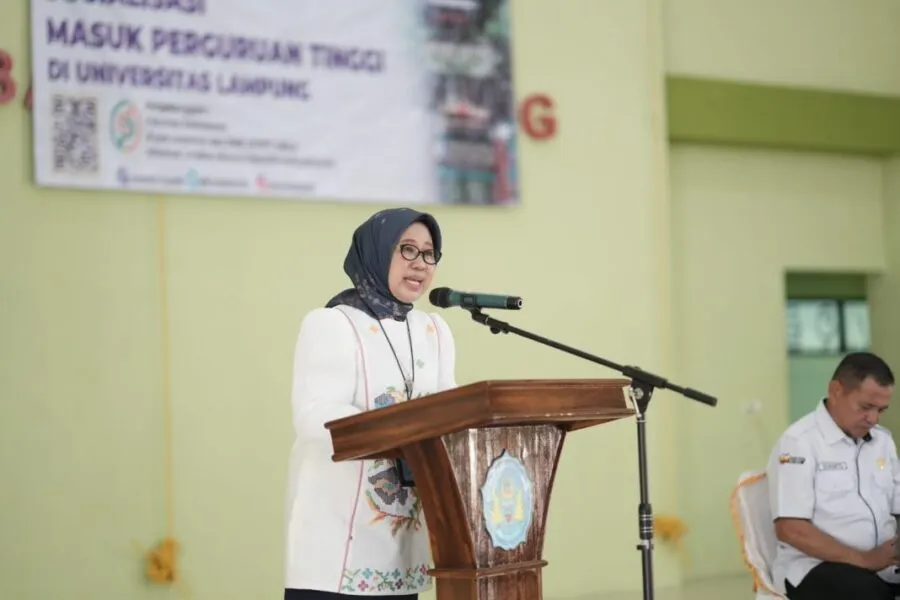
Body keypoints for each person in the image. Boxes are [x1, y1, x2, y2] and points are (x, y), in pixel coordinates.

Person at [283, 208, 458, 600]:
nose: (420, 263)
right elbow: (314, 417)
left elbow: (452, 410)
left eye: (429, 253)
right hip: (337, 543)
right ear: (377, 251)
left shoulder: (433, 331)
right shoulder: (332, 324)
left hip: (404, 541)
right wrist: (406, 428)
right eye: (407, 249)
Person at [767, 351, 900, 600]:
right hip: (816, 567)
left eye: (881, 410)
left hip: (884, 565)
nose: (873, 419)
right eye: (866, 407)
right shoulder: (799, 442)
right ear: (836, 391)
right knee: (869, 594)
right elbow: (791, 529)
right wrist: (864, 559)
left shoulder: (882, 441)